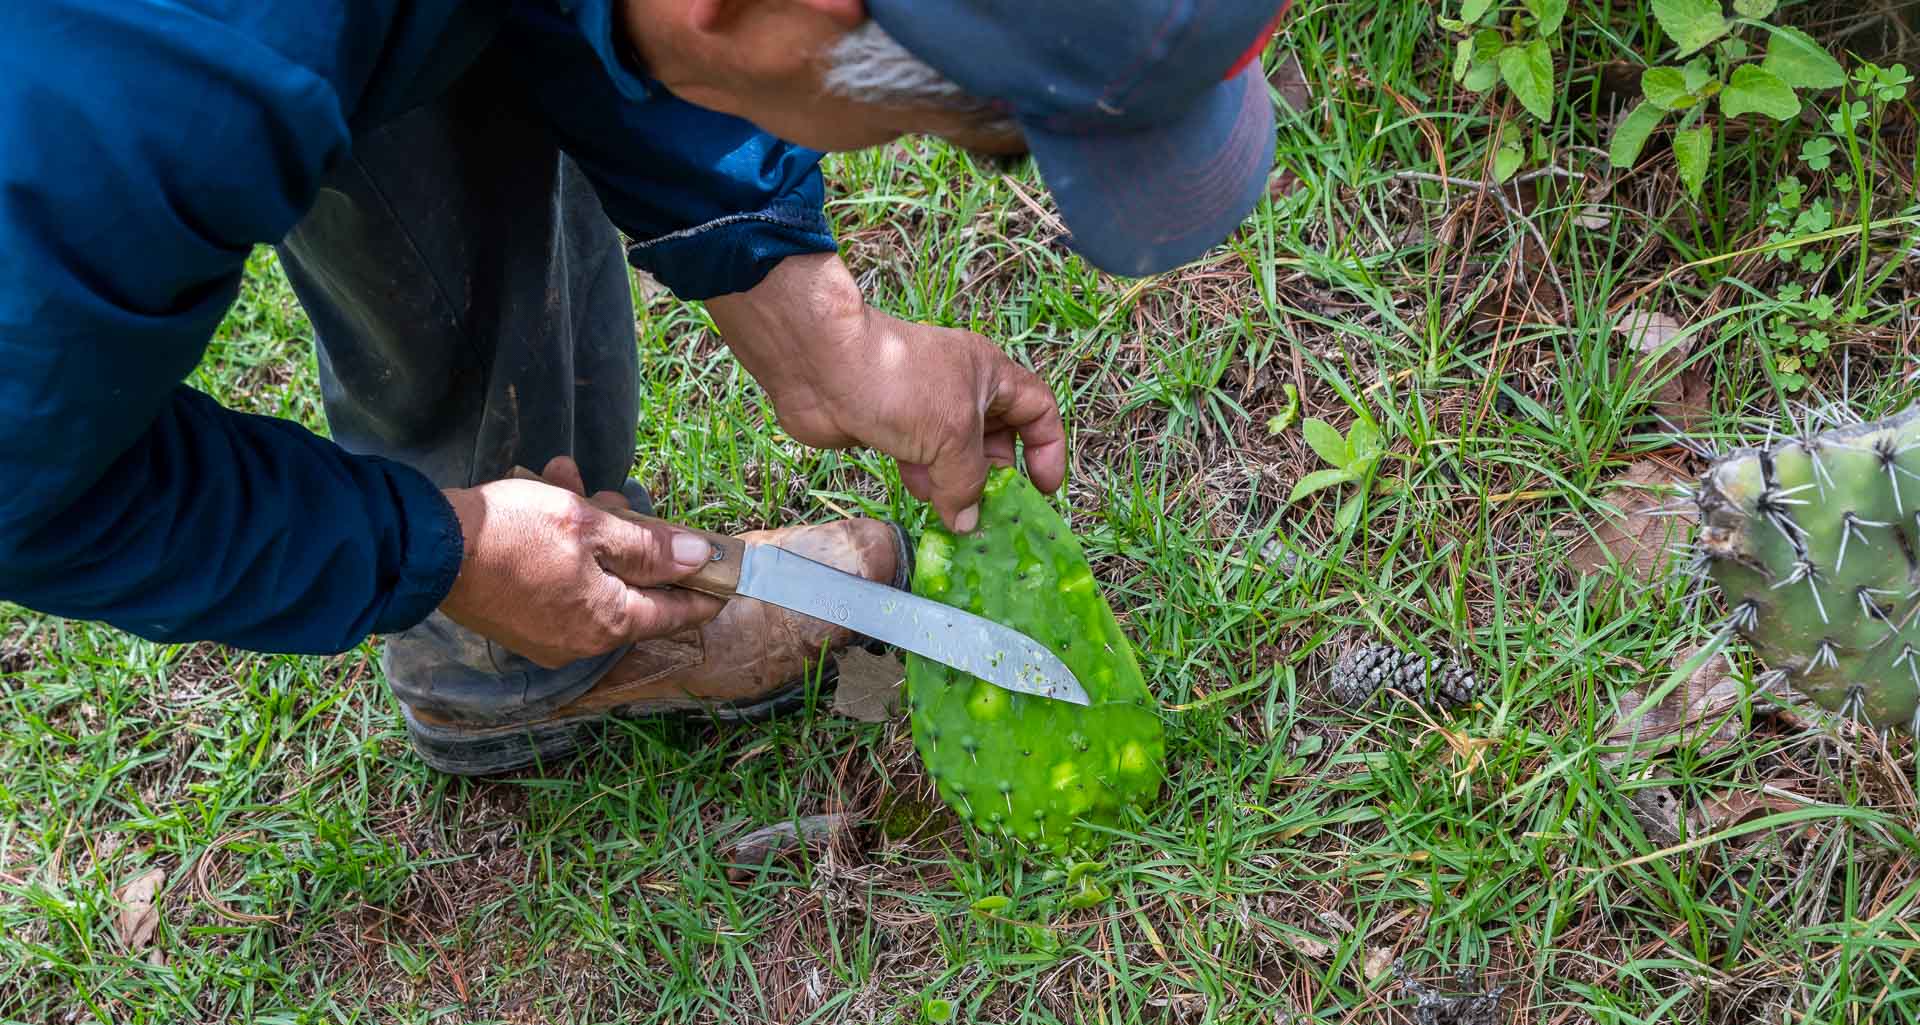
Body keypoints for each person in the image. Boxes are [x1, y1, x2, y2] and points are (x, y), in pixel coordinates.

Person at [0, 0, 1283, 774]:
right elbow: (27, 496)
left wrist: (795, 302)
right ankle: (495, 650)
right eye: (943, 129)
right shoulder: (117, 116)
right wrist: (435, 550)